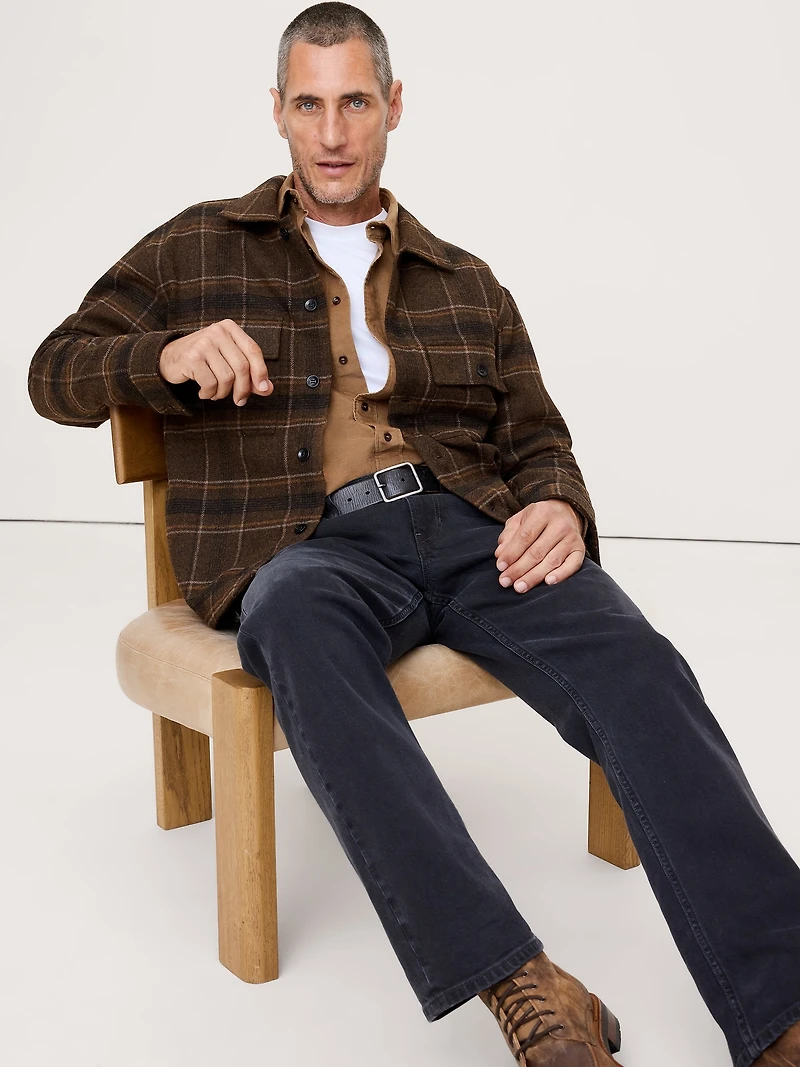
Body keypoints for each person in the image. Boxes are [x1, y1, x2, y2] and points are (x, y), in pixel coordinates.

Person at [27, 4, 800, 1064]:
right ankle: (521, 984)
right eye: (309, 105)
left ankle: (782, 1006)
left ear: (393, 107)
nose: (331, 133)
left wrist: (558, 504)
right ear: (277, 112)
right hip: (309, 551)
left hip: (474, 531)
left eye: (354, 102)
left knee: (641, 661)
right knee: (292, 618)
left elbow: (537, 437)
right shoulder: (195, 246)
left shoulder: (464, 280)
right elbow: (55, 370)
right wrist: (160, 355)